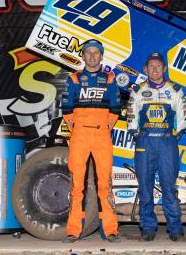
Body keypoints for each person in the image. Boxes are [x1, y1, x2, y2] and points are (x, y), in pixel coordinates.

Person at [61, 39, 121, 243]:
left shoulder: (110, 79)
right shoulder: (74, 78)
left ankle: (110, 230)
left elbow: (115, 109)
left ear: (102, 56)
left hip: (102, 135)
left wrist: (104, 128)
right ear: (83, 56)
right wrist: (78, 130)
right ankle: (73, 230)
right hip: (80, 137)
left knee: (106, 184)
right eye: (88, 52)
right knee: (76, 185)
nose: (93, 56)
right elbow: (66, 110)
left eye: (96, 53)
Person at [127, 52, 186, 242]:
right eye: (151, 66)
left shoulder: (175, 90)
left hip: (166, 144)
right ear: (145, 69)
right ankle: (147, 228)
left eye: (158, 66)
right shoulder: (137, 90)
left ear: (164, 68)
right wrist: (137, 134)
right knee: (145, 188)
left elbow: (184, 118)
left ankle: (175, 228)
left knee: (169, 187)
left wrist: (175, 135)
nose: (155, 70)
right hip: (145, 144)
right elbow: (131, 117)